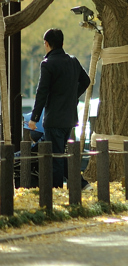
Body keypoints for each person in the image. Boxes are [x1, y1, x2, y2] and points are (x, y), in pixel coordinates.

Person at [28, 28, 90, 189]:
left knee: (55, 157)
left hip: (54, 119)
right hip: (69, 119)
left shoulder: (47, 64)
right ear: (62, 43)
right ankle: (80, 183)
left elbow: (42, 92)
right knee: (61, 154)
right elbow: (86, 81)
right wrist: (73, 96)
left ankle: (56, 192)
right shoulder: (73, 61)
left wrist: (34, 119)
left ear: (47, 44)